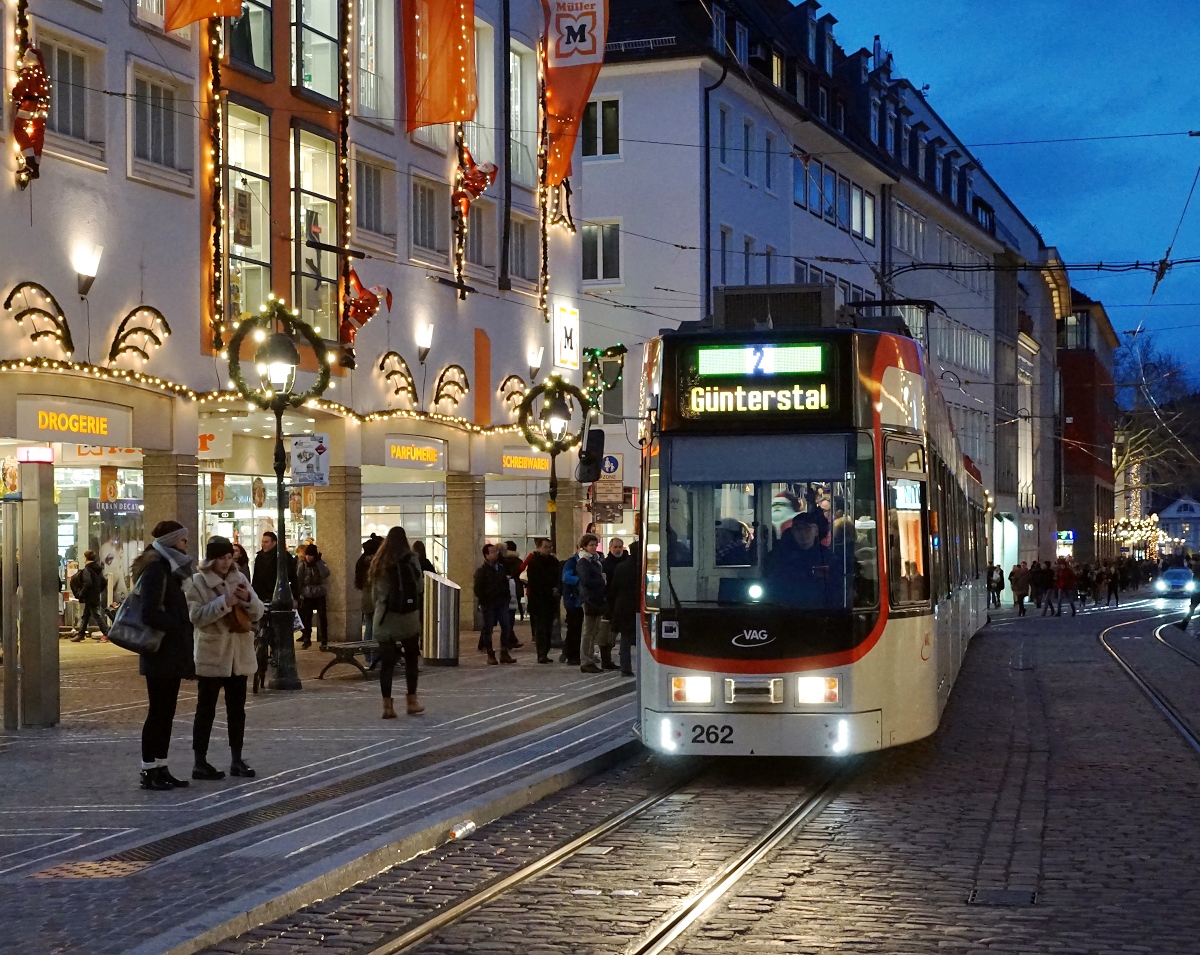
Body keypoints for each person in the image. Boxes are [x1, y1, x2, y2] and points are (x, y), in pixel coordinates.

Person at [185, 536, 265, 780]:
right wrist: (224, 603)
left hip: (238, 655)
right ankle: (200, 761)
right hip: (212, 653)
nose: (226, 562)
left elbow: (259, 611)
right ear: (211, 559)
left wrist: (248, 600)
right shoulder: (197, 582)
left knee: (237, 709)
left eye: (229, 557)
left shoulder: (239, 578)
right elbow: (195, 617)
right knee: (205, 709)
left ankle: (236, 759)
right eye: (221, 558)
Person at [129, 521, 197, 791]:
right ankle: (148, 770)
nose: (186, 545)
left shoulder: (170, 569)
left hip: (171, 651)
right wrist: (181, 622)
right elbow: (150, 614)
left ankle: (162, 766)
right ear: (171, 542)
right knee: (157, 712)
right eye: (182, 541)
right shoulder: (157, 569)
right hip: (159, 652)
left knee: (167, 712)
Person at [369, 526, 425, 717]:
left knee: (387, 664)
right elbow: (418, 587)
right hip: (408, 617)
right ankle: (412, 702)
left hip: (385, 617)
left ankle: (387, 707)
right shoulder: (412, 559)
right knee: (411, 659)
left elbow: (374, 593)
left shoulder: (378, 561)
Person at [766, 512, 836, 609]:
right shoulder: (781, 556)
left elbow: (835, 586)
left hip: (819, 610)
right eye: (797, 529)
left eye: (806, 528)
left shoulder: (827, 558)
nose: (802, 533)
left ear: (816, 531)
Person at [474, 544, 515, 665]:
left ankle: (504, 653)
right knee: (488, 629)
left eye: (496, 552)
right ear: (486, 555)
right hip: (489, 603)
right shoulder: (482, 571)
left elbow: (505, 584)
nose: (495, 554)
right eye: (492, 552)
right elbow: (478, 589)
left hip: (502, 602)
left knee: (506, 627)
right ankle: (490, 654)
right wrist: (485, 600)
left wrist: (506, 597)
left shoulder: (501, 568)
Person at [574, 533, 609, 672]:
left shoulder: (594, 560)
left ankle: (590, 657)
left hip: (596, 598)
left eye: (595, 544)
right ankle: (586, 660)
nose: (594, 547)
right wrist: (601, 580)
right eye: (591, 545)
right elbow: (586, 581)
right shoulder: (584, 561)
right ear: (584, 546)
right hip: (589, 599)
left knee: (593, 630)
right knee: (588, 631)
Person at [523, 538, 560, 664]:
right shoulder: (534, 562)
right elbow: (534, 581)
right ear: (539, 548)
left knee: (549, 627)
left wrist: (556, 588)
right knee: (541, 628)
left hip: (550, 599)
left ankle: (546, 651)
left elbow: (558, 576)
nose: (548, 549)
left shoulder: (553, 561)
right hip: (538, 599)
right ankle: (541, 653)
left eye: (550, 547)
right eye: (545, 547)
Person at [608, 538, 640, 677]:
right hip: (638, 605)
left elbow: (614, 589)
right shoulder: (643, 568)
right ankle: (644, 666)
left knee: (625, 639)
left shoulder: (621, 567)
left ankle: (625, 667)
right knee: (642, 638)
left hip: (623, 606)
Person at [297, 544, 331, 649]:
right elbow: (299, 578)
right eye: (307, 555)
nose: (308, 557)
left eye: (311, 555)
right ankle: (307, 639)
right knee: (307, 618)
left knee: (322, 617)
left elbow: (325, 574)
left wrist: (319, 562)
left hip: (319, 593)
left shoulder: (320, 563)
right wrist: (300, 593)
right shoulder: (303, 565)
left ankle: (324, 640)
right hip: (307, 593)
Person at [72, 550, 109, 642]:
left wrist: (81, 593)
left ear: (85, 558)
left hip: (90, 597)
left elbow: (87, 583)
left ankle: (107, 633)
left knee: (96, 615)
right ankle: (81, 634)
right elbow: (104, 582)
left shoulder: (87, 570)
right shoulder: (97, 569)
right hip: (94, 596)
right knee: (86, 616)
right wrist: (97, 591)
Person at [355, 535, 383, 641]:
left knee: (368, 625)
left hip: (365, 597)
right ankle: (374, 655)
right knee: (376, 628)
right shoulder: (377, 562)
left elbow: (358, 582)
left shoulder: (361, 561)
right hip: (376, 597)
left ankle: (367, 655)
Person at [560, 544, 584, 666]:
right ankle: (572, 655)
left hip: (584, 600)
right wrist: (581, 579)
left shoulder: (592, 560)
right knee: (574, 628)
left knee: (579, 629)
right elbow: (566, 577)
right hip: (573, 600)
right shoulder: (571, 562)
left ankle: (570, 651)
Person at [503, 541, 526, 622]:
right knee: (517, 602)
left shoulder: (503, 561)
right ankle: (521, 616)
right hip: (518, 585)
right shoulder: (519, 561)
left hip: (506, 585)